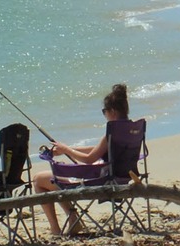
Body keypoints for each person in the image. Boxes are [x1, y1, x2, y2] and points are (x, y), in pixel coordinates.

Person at [31, 84, 130, 237]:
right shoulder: (130, 129)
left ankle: (58, 228)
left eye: (104, 111)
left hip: (103, 182)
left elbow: (90, 159)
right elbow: (99, 149)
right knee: (51, 180)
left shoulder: (111, 133)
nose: (104, 114)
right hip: (122, 178)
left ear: (113, 112)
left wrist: (67, 150)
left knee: (39, 179)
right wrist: (67, 149)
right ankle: (72, 219)